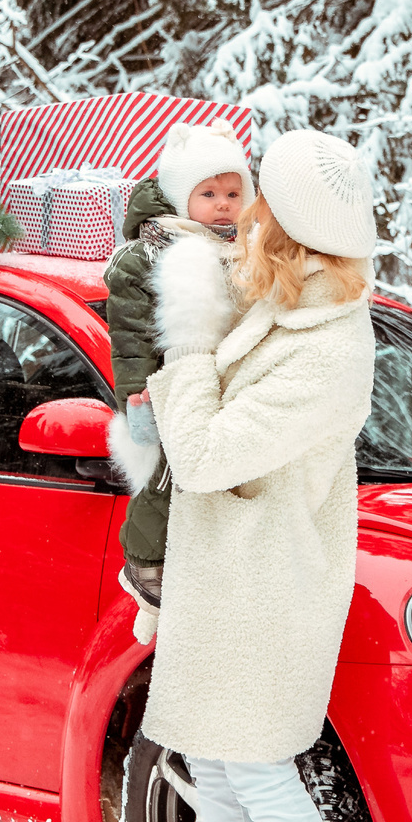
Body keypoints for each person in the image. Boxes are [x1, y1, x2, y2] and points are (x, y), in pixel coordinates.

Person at [134, 129, 378, 822]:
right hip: (224, 576)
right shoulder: (281, 304)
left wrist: (188, 350)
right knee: (214, 756)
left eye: (257, 200)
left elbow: (202, 453)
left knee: (268, 773)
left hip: (272, 588)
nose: (243, 214)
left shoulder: (329, 350)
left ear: (290, 225)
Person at [103, 122, 253, 637]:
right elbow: (131, 341)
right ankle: (145, 562)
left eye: (233, 193)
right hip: (166, 387)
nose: (223, 205)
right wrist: (138, 398)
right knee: (166, 470)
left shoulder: (244, 253)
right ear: (177, 196)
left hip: (229, 393)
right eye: (208, 194)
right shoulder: (147, 255)